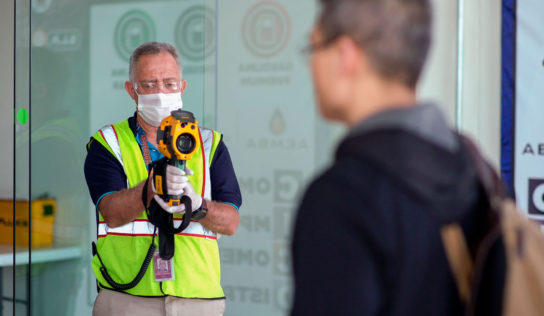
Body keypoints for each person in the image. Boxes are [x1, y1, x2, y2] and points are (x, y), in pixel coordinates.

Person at [290, 0, 500, 315]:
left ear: (346, 56)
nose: (310, 64)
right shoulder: (476, 170)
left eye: (313, 47)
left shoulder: (343, 197)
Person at [84, 41, 241, 316]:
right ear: (131, 90)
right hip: (127, 298)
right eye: (149, 85)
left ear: (182, 87)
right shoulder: (108, 142)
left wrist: (198, 206)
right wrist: (151, 188)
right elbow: (110, 212)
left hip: (197, 300)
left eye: (169, 84)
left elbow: (230, 222)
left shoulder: (209, 144)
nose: (160, 93)